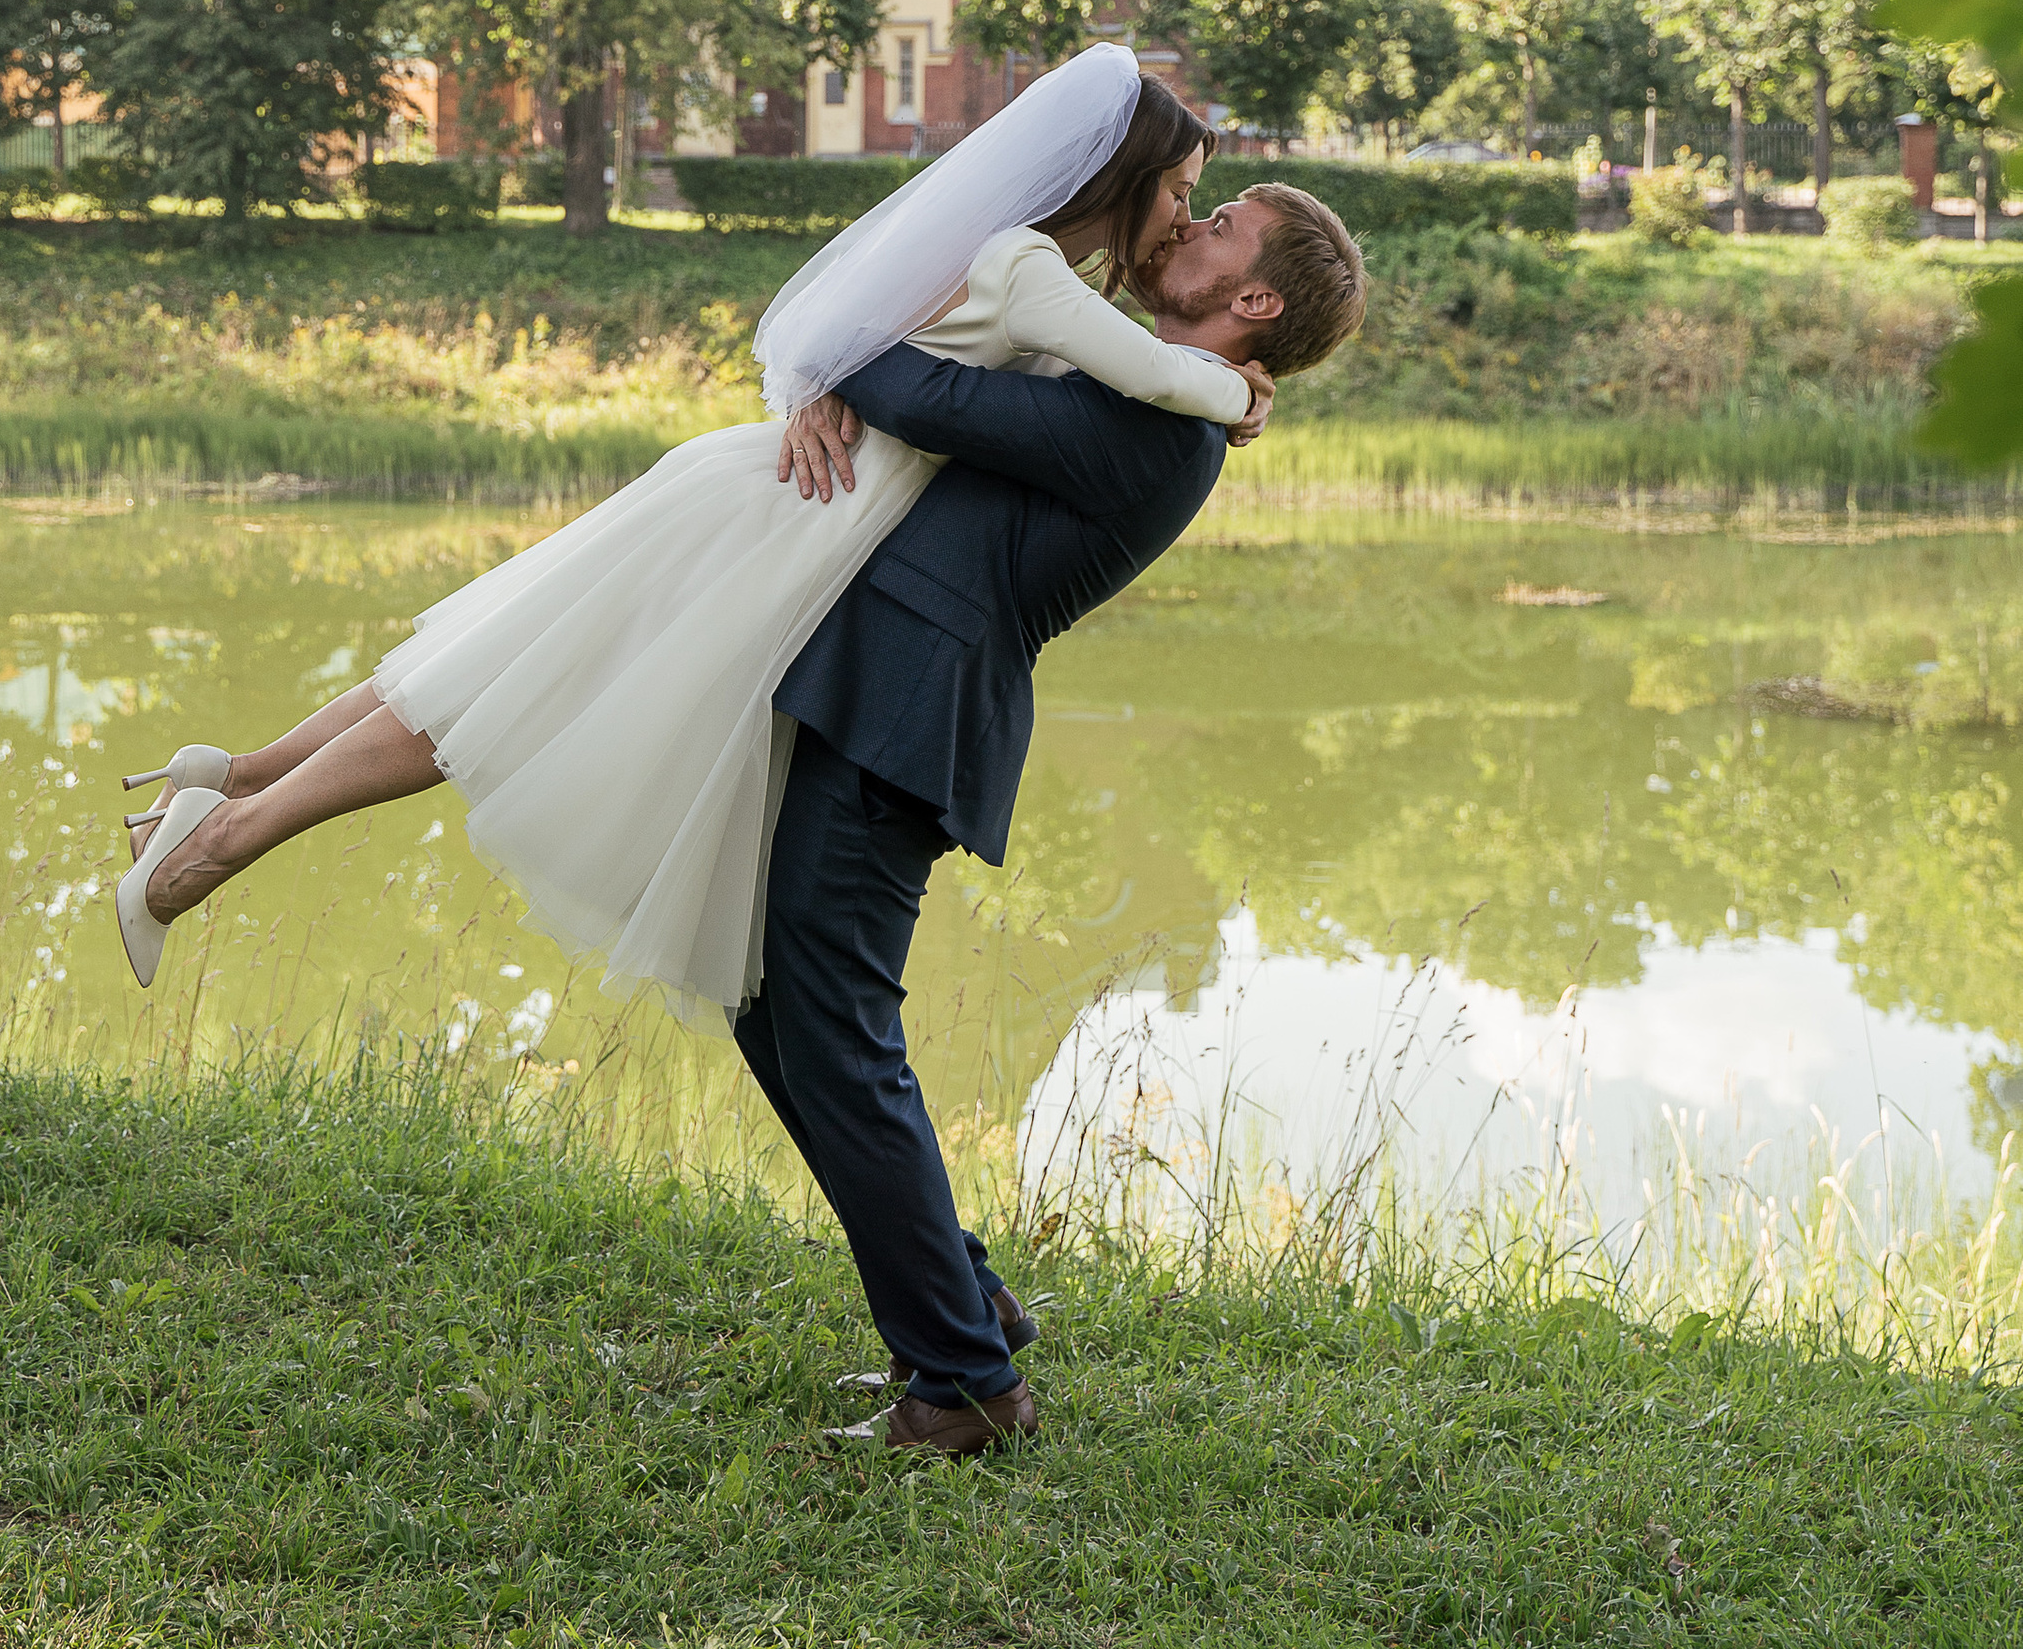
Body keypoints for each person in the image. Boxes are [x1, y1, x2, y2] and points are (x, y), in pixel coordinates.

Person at [114, 55, 1265, 1012]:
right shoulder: (1029, 269)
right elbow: (1150, 376)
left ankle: (229, 781)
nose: (1179, 216)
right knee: (515, 687)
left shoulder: (1027, 260)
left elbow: (874, 324)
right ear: (1118, 177)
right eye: (1179, 191)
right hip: (789, 516)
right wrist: (1242, 393)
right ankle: (213, 848)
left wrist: (823, 375)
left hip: (787, 504)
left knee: (507, 653)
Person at [744, 164, 1365, 1456]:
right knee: (773, 1007)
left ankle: (964, 1383)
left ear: (1251, 297)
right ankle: (963, 1308)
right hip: (885, 693)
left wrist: (838, 332)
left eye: (1224, 223)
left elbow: (909, 384)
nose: (1190, 220)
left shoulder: (1160, 424)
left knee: (834, 1033)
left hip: (909, 715)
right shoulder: (1160, 387)